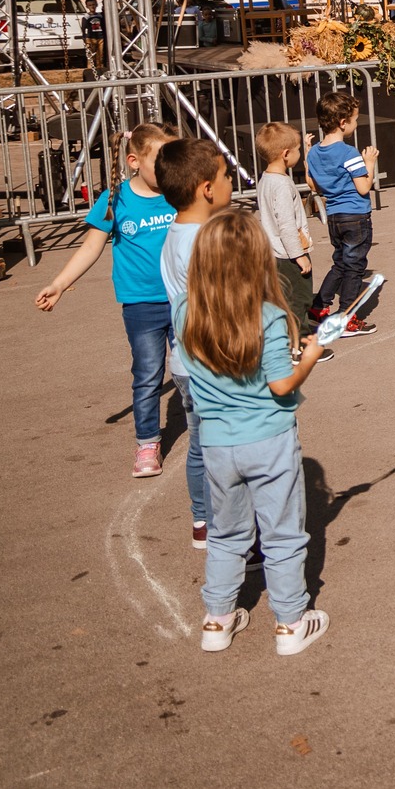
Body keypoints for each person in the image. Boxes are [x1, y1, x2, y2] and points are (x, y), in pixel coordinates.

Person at [176, 210, 330, 656]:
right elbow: (281, 384)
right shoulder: (268, 316)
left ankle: (217, 620)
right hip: (269, 438)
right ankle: (290, 622)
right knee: (281, 534)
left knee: (226, 535)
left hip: (218, 443)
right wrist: (310, 355)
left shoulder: (186, 309)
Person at [33, 121, 180, 479]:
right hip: (141, 305)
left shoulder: (181, 193)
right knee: (147, 374)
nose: (168, 169)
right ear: (134, 161)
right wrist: (60, 283)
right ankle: (148, 442)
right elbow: (91, 246)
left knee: (192, 370)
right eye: (160, 160)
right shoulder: (115, 200)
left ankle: (207, 430)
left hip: (185, 299)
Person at [158, 136, 235, 549]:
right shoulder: (207, 243)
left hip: (185, 364)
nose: (230, 180)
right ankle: (231, 530)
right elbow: (223, 311)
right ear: (207, 188)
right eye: (225, 174)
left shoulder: (174, 235)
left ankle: (202, 521)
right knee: (227, 451)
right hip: (215, 364)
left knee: (201, 447)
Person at [306, 93, 381, 335]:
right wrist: (368, 162)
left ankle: (318, 307)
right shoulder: (349, 154)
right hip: (356, 216)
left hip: (334, 217)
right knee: (355, 267)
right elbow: (363, 187)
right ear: (342, 122)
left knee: (340, 263)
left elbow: (312, 184)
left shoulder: (315, 152)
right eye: (355, 119)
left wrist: (308, 154)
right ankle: (347, 316)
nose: (356, 124)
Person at [254, 122, 317, 338]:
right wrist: (299, 255)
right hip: (288, 253)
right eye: (298, 149)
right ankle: (299, 340)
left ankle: (285, 336)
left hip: (273, 252)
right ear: (286, 154)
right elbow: (286, 224)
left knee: (282, 297)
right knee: (299, 297)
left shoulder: (266, 180)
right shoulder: (281, 185)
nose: (299, 152)